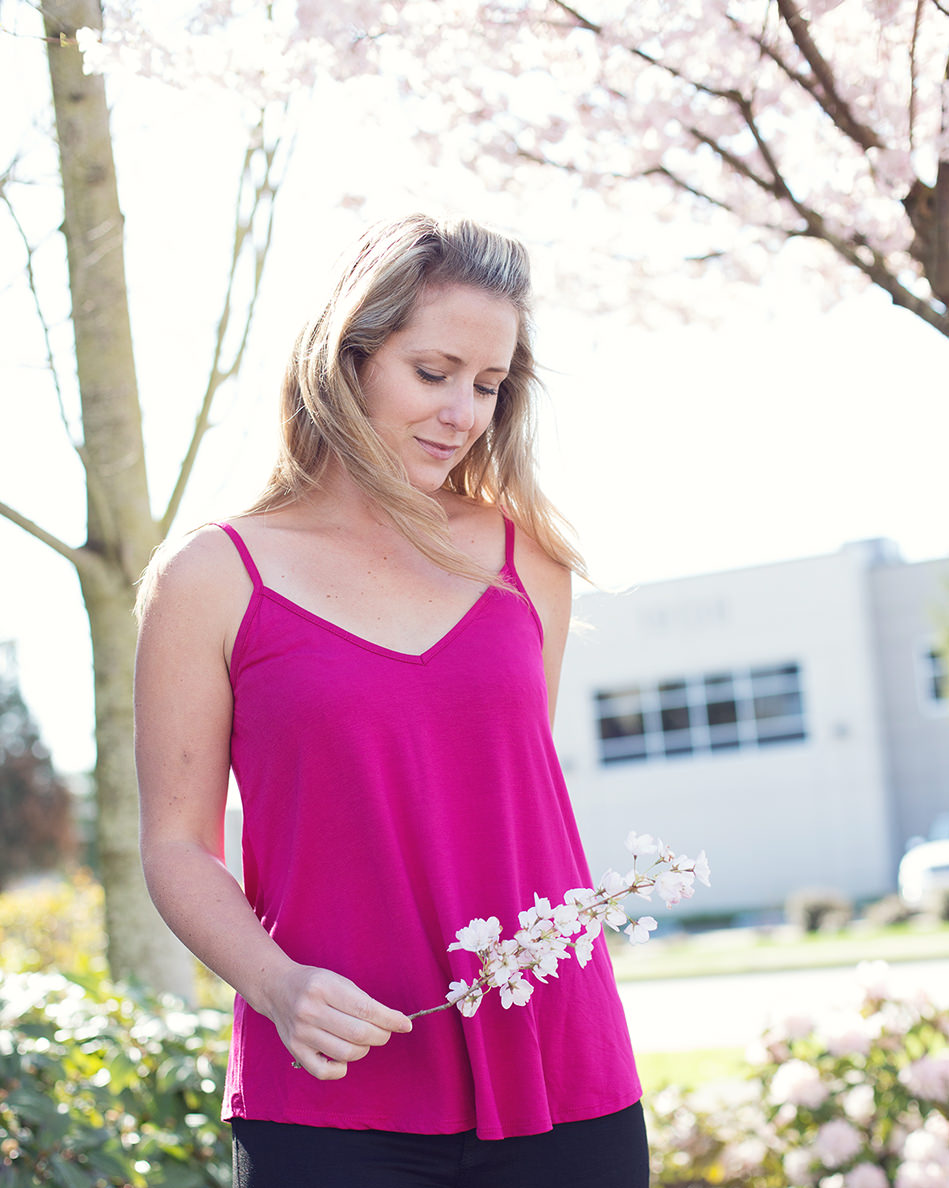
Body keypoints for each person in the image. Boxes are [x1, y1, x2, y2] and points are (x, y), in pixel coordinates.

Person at [134, 214, 649, 1188]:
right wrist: (273, 984)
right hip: (332, 1091)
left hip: (559, 1071)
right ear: (346, 359)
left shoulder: (523, 557)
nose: (463, 411)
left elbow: (495, 811)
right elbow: (175, 845)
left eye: (488, 385)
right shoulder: (211, 575)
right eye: (433, 371)